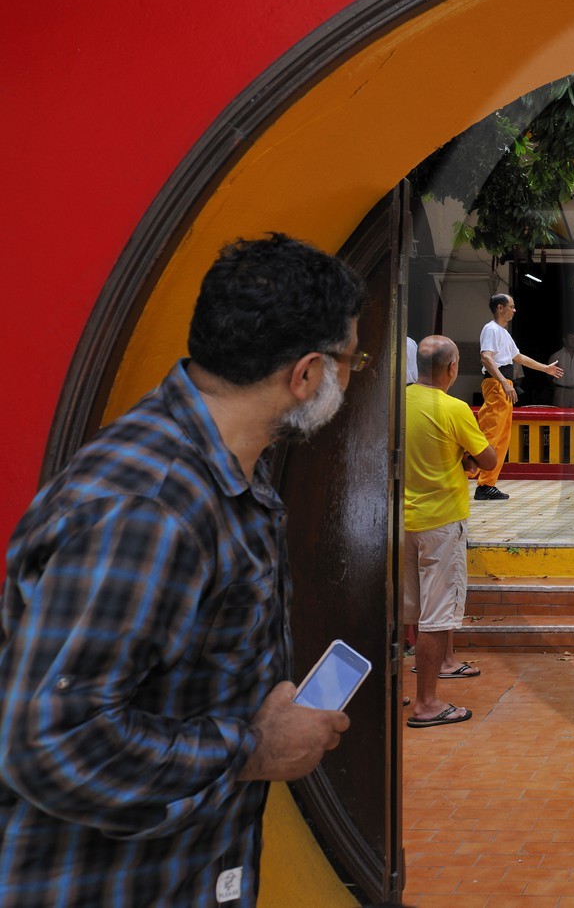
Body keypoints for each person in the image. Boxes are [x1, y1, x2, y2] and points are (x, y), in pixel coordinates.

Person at [0, 233, 363, 906]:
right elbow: (49, 742)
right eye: (349, 360)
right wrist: (253, 748)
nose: (347, 377)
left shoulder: (226, 481)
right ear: (306, 374)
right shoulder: (152, 507)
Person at [404, 337, 497, 729]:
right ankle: (426, 703)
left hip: (400, 520)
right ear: (452, 367)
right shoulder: (454, 408)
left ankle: (397, 687)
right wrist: (465, 456)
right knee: (437, 615)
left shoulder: (398, 401)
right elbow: (489, 458)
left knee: (403, 611)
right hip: (440, 523)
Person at [475, 293, 562, 501]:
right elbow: (486, 358)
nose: (514, 311)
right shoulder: (491, 329)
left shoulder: (503, 332)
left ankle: (487, 484)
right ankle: (471, 476)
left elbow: (518, 357)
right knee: (491, 434)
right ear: (500, 308)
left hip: (503, 384)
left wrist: (545, 369)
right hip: (497, 384)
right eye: (511, 307)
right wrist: (503, 382)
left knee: (502, 436)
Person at [549, 331, 574, 408]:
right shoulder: (556, 356)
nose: (573, 341)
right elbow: (548, 375)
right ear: (564, 340)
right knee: (560, 416)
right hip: (561, 391)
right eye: (571, 338)